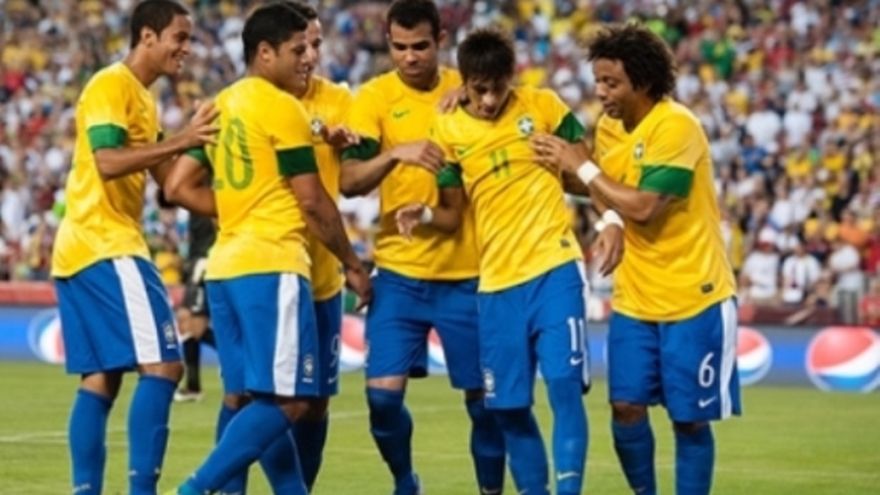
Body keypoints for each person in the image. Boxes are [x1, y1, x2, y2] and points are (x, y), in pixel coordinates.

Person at [163, 4, 371, 494]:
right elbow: (312, 201)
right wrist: (353, 263)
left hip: (225, 266)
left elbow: (176, 186)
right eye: (297, 50)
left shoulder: (222, 103)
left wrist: (240, 204)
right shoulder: (283, 107)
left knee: (245, 397)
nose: (308, 58)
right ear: (265, 53)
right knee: (290, 400)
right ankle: (192, 489)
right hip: (272, 264)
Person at [531, 22, 741, 495]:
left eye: (612, 82)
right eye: (598, 81)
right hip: (635, 297)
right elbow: (607, 189)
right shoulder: (609, 127)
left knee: (688, 420)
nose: (601, 92)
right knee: (625, 408)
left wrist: (581, 167)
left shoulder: (676, 126)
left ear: (643, 82)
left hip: (694, 296)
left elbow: (645, 205)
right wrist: (608, 220)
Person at [398, 28, 594, 495]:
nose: (488, 100)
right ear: (463, 82)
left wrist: (571, 166)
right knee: (507, 408)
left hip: (554, 268)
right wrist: (424, 214)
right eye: (478, 89)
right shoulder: (447, 128)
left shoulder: (544, 106)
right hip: (496, 286)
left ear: (513, 76)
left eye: (497, 88)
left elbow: (591, 175)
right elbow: (452, 214)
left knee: (564, 387)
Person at [50, 1, 218, 494]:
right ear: (147, 36)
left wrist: (208, 151)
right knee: (165, 365)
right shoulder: (111, 85)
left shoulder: (143, 99)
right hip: (106, 242)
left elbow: (171, 185)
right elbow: (107, 161)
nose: (187, 49)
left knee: (101, 378)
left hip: (80, 248)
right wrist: (182, 139)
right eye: (179, 37)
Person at [340, 1, 505, 493]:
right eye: (399, 47)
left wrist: (473, 96)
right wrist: (395, 153)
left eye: (420, 46)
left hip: (467, 273)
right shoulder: (372, 99)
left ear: (440, 41)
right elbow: (349, 180)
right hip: (399, 275)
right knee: (382, 400)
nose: (409, 57)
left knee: (484, 404)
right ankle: (405, 480)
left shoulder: (469, 88)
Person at [174, 212, 217, 402]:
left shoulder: (209, 197)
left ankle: (243, 356)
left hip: (205, 260)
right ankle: (193, 386)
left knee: (194, 324)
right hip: (195, 261)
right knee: (186, 324)